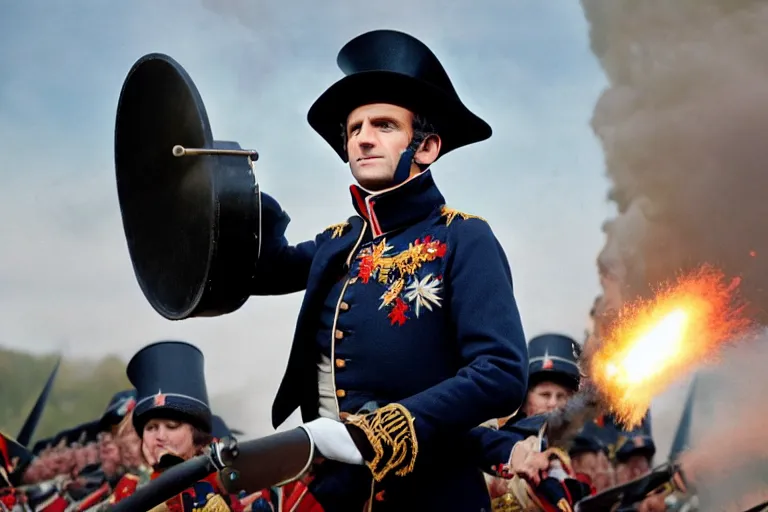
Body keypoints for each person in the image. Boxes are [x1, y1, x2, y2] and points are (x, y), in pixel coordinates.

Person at [248, 28, 528, 511]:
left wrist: (393, 426)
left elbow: (501, 372)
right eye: (355, 129)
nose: (363, 138)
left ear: (426, 147)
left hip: (432, 495)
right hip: (333, 495)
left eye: (383, 125)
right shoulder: (338, 242)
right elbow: (257, 269)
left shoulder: (463, 237)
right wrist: (223, 190)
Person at [104, 340, 244, 512]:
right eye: (151, 428)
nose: (160, 436)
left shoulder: (231, 486)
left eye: (172, 426)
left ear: (197, 439)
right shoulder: (127, 491)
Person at [469, 333, 593, 511]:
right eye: (544, 395)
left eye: (562, 396)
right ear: (525, 400)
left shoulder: (585, 448)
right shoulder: (494, 443)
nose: (553, 403)